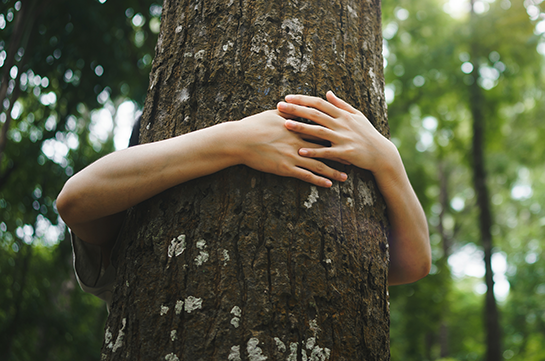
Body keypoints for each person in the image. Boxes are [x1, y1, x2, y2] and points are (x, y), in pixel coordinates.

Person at [56, 90, 431, 309]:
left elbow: (413, 264)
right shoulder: (122, 242)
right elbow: (74, 200)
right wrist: (237, 140)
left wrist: (387, 159)